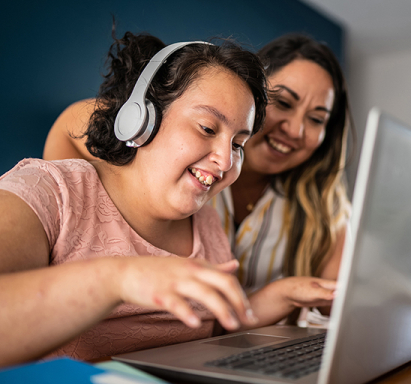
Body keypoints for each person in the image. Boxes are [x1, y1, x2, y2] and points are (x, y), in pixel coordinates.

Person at [0, 31, 337, 367]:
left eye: (238, 144)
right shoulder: (47, 190)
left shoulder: (205, 224)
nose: (225, 160)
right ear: (142, 119)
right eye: (207, 128)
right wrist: (120, 278)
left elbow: (210, 331)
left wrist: (281, 295)